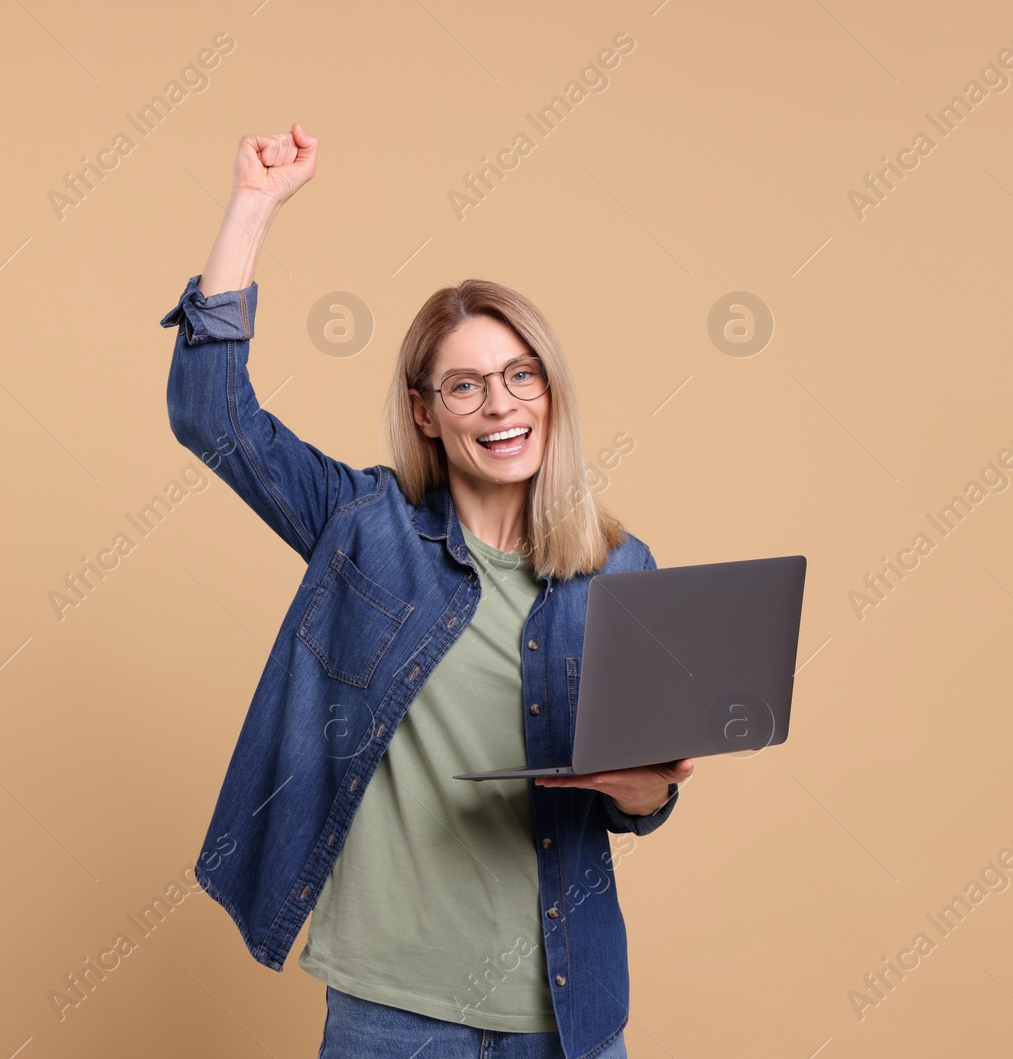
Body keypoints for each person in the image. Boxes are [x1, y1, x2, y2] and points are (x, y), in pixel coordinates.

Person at [162, 124, 694, 1059]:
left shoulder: (621, 568)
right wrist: (252, 208)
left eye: (521, 376)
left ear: (551, 393)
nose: (500, 405)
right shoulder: (364, 525)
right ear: (425, 410)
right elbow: (213, 418)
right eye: (466, 385)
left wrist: (646, 792)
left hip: (567, 1016)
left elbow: (635, 800)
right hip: (394, 1016)